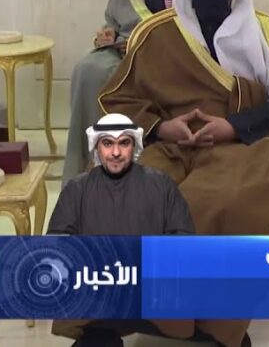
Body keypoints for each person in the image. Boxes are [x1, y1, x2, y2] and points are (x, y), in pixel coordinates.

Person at [97, 0, 269, 346]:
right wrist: (162, 127)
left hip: (243, 142)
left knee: (220, 200)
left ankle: (214, 327)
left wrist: (232, 126)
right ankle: (104, 322)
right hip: (170, 142)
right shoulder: (159, 34)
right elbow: (120, 98)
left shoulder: (266, 34)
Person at [49, 113, 205, 347]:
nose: (116, 152)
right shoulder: (76, 189)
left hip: (153, 293)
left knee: (214, 328)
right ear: (96, 146)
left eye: (123, 143)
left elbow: (184, 240)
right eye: (107, 143)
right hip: (98, 297)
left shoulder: (161, 184)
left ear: (134, 146)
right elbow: (56, 246)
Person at [63, 0, 187, 185]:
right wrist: (107, 34)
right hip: (123, 50)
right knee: (88, 70)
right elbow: (113, 20)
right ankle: (87, 163)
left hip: (167, 52)